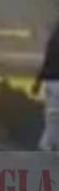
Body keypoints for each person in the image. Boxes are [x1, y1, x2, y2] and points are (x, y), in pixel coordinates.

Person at [36, 21, 59, 151]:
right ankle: (47, 146)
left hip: (51, 83)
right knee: (53, 118)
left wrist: (37, 83)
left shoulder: (52, 42)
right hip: (55, 83)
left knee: (52, 118)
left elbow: (46, 63)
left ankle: (46, 146)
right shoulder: (53, 42)